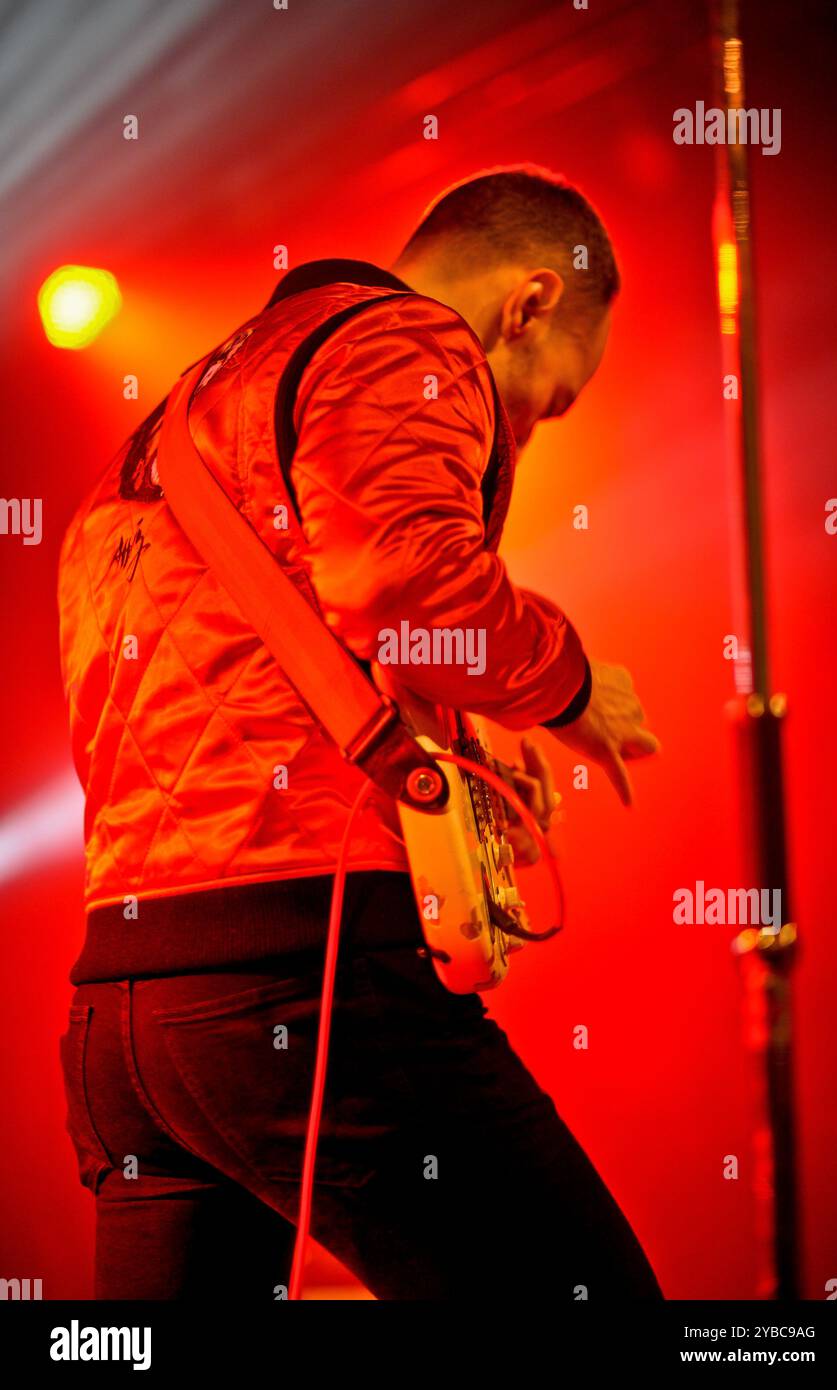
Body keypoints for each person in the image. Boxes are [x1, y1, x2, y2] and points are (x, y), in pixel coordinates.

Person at [57, 164, 662, 1300]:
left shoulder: (175, 418)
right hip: (303, 977)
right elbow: (410, 594)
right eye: (551, 392)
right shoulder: (403, 342)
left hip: (127, 1017)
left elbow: (227, 678)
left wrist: (446, 738)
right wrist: (574, 687)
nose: (523, 425)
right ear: (527, 303)